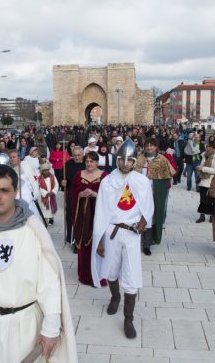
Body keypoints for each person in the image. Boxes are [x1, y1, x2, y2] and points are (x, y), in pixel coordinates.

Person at [0, 165, 77, 362]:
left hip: (25, 327)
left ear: (16, 192)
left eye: (4, 190)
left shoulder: (32, 231)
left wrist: (51, 328)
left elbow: (49, 283)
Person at [92, 139, 154, 339]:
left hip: (131, 235)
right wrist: (100, 239)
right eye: (122, 160)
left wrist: (144, 222)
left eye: (129, 160)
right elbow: (100, 211)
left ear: (134, 161)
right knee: (110, 270)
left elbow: (148, 206)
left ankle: (129, 318)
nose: (125, 163)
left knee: (131, 275)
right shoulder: (107, 182)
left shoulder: (142, 181)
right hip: (111, 232)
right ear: (117, 160)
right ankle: (115, 296)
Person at [71, 151, 108, 286]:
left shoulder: (104, 176)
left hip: (98, 214)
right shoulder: (79, 175)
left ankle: (99, 274)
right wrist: (81, 194)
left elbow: (109, 196)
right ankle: (85, 274)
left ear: (97, 162)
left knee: (98, 240)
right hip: (82, 215)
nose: (89, 164)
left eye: (92, 161)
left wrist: (94, 193)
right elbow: (73, 194)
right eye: (87, 161)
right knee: (84, 243)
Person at [135, 138, 176, 254]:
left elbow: (168, 176)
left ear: (156, 146)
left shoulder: (162, 160)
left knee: (150, 217)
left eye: (151, 145)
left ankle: (147, 244)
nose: (149, 148)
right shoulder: (139, 158)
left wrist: (157, 189)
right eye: (147, 145)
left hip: (153, 194)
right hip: (138, 193)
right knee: (136, 216)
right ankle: (137, 240)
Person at [63, 146, 86, 246]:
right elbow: (65, 180)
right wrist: (63, 182)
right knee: (70, 217)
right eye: (75, 155)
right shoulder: (68, 165)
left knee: (83, 218)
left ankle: (83, 239)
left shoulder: (87, 164)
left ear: (82, 155)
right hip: (72, 194)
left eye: (79, 155)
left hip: (85, 195)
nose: (77, 157)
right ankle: (72, 239)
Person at [195, 141, 215, 223]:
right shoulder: (204, 155)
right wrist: (200, 167)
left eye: (209, 146)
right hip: (203, 179)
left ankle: (211, 215)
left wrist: (203, 169)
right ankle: (202, 215)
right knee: (202, 199)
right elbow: (203, 165)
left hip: (212, 181)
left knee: (211, 199)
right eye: (206, 146)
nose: (207, 148)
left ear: (213, 148)